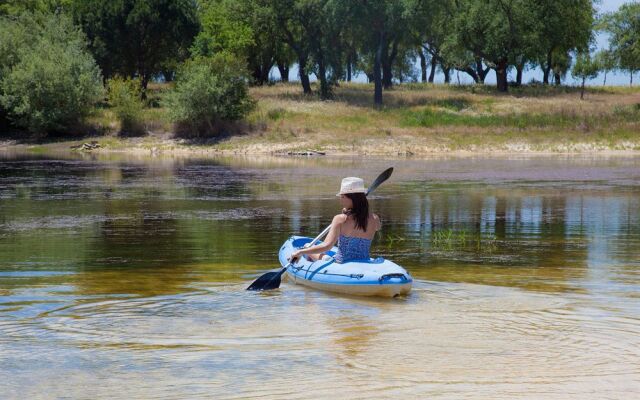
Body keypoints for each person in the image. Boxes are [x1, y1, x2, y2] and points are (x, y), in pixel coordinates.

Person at [288, 177, 381, 264]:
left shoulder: (340, 219)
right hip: (365, 261)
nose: (340, 200)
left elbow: (326, 246)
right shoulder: (375, 218)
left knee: (307, 245)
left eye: (342, 197)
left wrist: (300, 251)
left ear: (351, 198)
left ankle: (307, 257)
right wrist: (351, 212)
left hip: (341, 263)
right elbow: (376, 227)